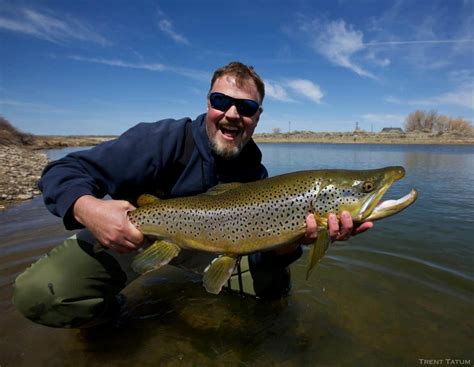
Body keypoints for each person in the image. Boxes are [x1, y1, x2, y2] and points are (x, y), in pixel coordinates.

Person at [13, 61, 372, 328]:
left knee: (273, 288)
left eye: (246, 108)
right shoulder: (160, 139)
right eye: (222, 101)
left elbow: (262, 255)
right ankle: (114, 319)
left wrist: (291, 242)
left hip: (214, 245)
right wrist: (90, 210)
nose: (232, 114)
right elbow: (61, 171)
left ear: (257, 117)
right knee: (41, 293)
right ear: (208, 104)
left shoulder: (255, 174)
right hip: (134, 236)